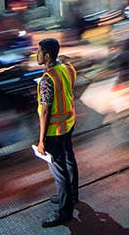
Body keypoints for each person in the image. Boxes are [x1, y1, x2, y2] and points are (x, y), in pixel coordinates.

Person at [37, 37, 79, 227]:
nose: (36, 55)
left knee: (59, 171)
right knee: (69, 159)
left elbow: (45, 111)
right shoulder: (67, 69)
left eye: (39, 52)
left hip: (55, 131)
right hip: (69, 122)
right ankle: (72, 194)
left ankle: (64, 212)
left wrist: (41, 141)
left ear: (47, 56)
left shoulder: (48, 79)